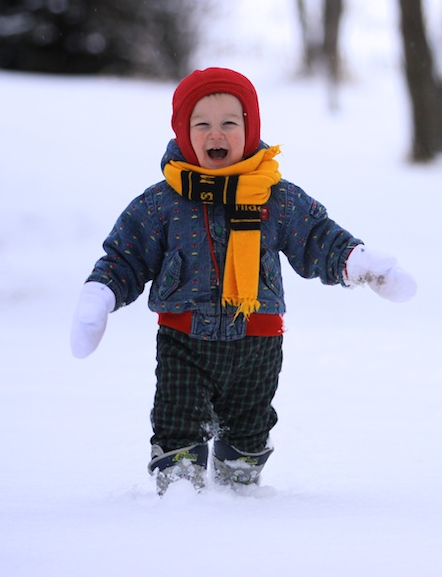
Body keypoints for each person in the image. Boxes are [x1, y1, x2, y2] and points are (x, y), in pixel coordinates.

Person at [69, 67, 416, 494]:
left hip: (258, 341)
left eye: (229, 123)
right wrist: (100, 295)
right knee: (177, 421)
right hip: (183, 340)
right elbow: (126, 256)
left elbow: (317, 237)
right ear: (184, 132)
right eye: (203, 124)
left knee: (249, 429)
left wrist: (356, 262)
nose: (217, 134)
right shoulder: (163, 202)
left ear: (249, 130)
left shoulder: (276, 196)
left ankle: (240, 490)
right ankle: (179, 493)